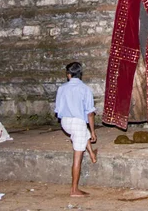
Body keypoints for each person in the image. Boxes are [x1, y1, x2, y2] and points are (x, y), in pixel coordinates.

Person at [55, 62, 98, 197]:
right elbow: (90, 114)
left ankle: (92, 154)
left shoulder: (61, 88)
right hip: (77, 122)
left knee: (81, 131)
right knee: (77, 158)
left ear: (68, 75)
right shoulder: (85, 89)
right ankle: (74, 190)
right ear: (80, 74)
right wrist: (93, 131)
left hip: (65, 123)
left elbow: (57, 109)